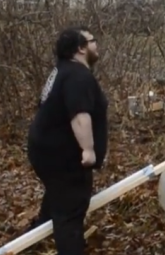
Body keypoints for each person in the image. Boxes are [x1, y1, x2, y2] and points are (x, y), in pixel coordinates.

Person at [26, 26, 108, 254]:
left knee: (58, 197)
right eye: (93, 41)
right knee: (70, 215)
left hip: (45, 152)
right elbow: (79, 115)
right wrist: (89, 150)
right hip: (63, 159)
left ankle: (30, 241)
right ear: (81, 48)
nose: (96, 45)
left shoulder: (62, 71)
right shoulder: (78, 76)